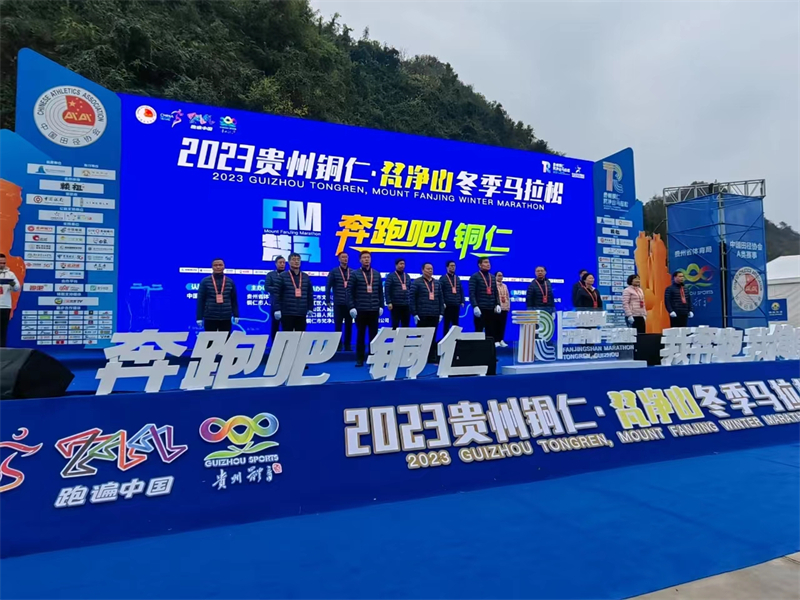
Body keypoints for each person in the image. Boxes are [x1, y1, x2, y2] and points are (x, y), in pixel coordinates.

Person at [347, 250, 384, 367]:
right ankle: (360, 359)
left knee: (374, 336)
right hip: (360, 310)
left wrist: (381, 306)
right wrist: (352, 307)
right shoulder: (354, 274)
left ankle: (373, 358)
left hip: (374, 310)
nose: (366, 259)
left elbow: (380, 292)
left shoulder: (376, 274)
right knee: (360, 335)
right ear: (360, 260)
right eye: (364, 258)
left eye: (368, 257)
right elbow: (349, 292)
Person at [410, 262, 444, 363]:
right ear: (422, 270)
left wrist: (441, 313)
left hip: (434, 314)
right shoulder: (417, 282)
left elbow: (441, 299)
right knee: (421, 337)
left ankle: (431, 357)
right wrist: (414, 313)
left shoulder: (437, 283)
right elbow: (412, 298)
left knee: (432, 337)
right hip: (422, 314)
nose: (430, 271)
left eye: (431, 269)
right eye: (428, 269)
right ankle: (419, 357)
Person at [273, 252, 314, 332]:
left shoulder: (305, 277)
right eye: (294, 260)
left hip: (301, 312)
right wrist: (277, 309)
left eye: (298, 260)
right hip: (287, 312)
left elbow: (310, 293)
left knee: (300, 336)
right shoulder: (283, 276)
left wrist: (310, 308)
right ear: (289, 262)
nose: (296, 261)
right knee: (288, 336)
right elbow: (277, 294)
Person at [196, 258, 239, 332]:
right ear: (212, 267)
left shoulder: (230, 282)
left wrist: (236, 315)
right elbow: (201, 300)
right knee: (210, 339)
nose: (218, 267)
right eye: (215, 265)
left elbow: (234, 300)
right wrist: (199, 318)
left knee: (225, 338)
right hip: (210, 317)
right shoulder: (205, 281)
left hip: (226, 317)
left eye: (220, 265)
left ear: (224, 266)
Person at [468, 257, 501, 339]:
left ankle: (489, 347)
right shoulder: (474, 277)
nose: (488, 264)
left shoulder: (492, 277)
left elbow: (495, 292)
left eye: (488, 262)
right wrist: (475, 306)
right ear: (480, 265)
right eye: (485, 262)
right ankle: (477, 347)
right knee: (479, 331)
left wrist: (498, 304)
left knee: (490, 332)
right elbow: (472, 293)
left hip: (491, 308)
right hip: (480, 308)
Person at [326, 251, 353, 351]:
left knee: (349, 325)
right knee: (338, 326)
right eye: (343, 257)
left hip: (349, 304)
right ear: (339, 259)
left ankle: (347, 345)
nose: (345, 259)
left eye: (346, 257)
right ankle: (338, 345)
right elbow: (328, 286)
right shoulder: (334, 272)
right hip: (338, 303)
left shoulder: (352, 272)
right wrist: (327, 299)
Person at [0, 253, 21, 347]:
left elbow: (17, 288)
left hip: (5, 306)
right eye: (0, 263)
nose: (2, 265)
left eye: (4, 263)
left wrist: (11, 283)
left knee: (3, 331)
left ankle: (2, 351)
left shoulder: (10, 274)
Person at [385, 258, 411, 328]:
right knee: (395, 324)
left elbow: (410, 289)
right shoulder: (391, 276)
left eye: (403, 264)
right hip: (395, 304)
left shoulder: (407, 276)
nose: (402, 265)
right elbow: (387, 289)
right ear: (396, 265)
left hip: (406, 305)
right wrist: (389, 302)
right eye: (400, 264)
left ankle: (404, 336)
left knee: (406, 325)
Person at [440, 260, 464, 336]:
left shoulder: (457, 278)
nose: (453, 267)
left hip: (456, 304)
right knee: (446, 324)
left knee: (456, 324)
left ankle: (456, 339)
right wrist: (443, 302)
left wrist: (462, 301)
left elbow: (461, 290)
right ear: (447, 267)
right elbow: (440, 292)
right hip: (447, 305)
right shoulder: (443, 278)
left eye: (454, 266)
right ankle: (445, 340)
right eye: (451, 266)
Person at [266, 256, 286, 343]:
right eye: (280, 262)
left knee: (286, 326)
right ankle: (274, 343)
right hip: (275, 304)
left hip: (287, 304)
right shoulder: (270, 274)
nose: (282, 264)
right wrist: (278, 289)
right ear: (276, 264)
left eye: (284, 263)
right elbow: (267, 287)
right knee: (275, 325)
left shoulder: (288, 274)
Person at [495, 271, 510, 348]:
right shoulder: (493, 286)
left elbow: (507, 296)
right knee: (496, 325)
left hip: (504, 308)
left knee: (502, 325)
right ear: (495, 277)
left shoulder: (505, 286)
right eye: (499, 275)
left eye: (501, 275)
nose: (500, 277)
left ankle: (501, 339)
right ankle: (496, 340)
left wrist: (508, 306)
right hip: (497, 308)